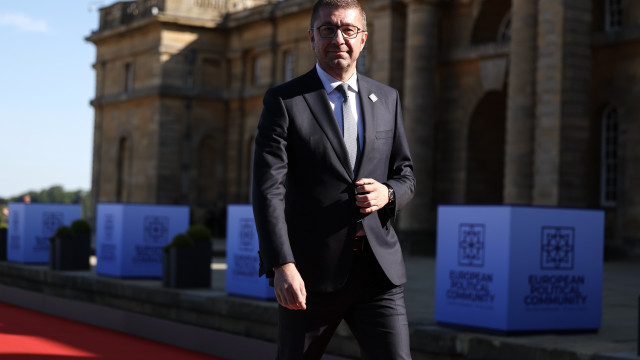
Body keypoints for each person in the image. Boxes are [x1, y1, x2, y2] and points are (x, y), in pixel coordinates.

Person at [252, 0, 415, 358]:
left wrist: (387, 194)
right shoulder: (284, 101)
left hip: (378, 274)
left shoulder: (387, 99)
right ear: (312, 38)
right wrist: (283, 265)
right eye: (327, 29)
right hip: (310, 274)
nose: (338, 38)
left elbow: (405, 175)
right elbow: (268, 192)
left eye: (348, 29)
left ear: (363, 38)